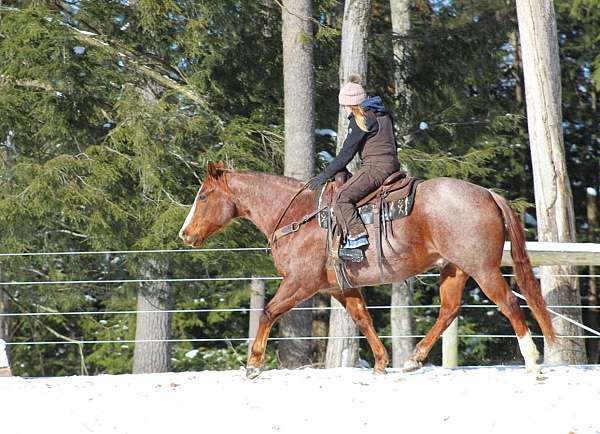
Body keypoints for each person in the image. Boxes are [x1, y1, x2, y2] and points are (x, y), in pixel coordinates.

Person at [308, 75, 400, 250]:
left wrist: (323, 176)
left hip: (376, 168)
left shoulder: (362, 119)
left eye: (344, 106)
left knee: (342, 197)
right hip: (392, 166)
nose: (344, 110)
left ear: (352, 104)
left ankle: (357, 236)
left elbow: (346, 154)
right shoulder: (383, 114)